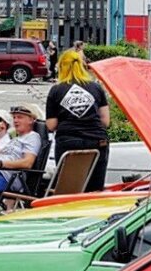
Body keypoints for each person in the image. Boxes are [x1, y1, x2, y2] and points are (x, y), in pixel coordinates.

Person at [45, 48, 110, 193]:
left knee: (68, 188)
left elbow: (51, 125)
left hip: (68, 141)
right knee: (95, 189)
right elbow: (105, 121)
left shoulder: (56, 90)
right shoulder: (96, 88)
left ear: (62, 67)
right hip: (97, 141)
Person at [0, 104, 43, 195]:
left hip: (4, 178)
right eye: (14, 117)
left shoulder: (32, 136)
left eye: (19, 117)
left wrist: (0, 163)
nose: (15, 120)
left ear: (31, 120)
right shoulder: (17, 138)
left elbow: (28, 163)